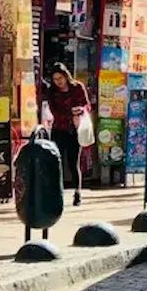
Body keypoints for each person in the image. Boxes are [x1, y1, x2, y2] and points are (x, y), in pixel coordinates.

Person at [43, 63, 92, 196]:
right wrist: (70, 114)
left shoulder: (77, 87)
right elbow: (54, 111)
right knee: (56, 161)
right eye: (55, 79)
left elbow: (87, 106)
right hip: (59, 129)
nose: (58, 82)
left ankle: (77, 192)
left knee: (73, 162)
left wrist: (80, 111)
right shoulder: (52, 92)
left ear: (66, 76)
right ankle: (57, 192)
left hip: (74, 130)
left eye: (60, 78)